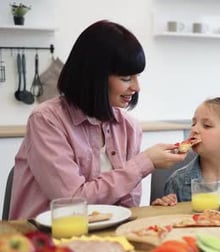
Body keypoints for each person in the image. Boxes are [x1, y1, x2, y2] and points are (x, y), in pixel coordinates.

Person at [9, 20, 187, 219]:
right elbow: (71, 202)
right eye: (126, 78)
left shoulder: (129, 128)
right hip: (43, 241)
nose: (137, 87)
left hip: (105, 236)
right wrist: (143, 163)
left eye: (137, 77)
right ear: (95, 77)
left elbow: (128, 206)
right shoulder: (46, 121)